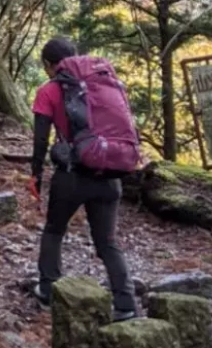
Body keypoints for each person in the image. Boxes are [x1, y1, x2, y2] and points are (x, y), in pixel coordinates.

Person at [31, 37, 137, 321]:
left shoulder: (49, 91)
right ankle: (126, 304)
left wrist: (36, 175)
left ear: (49, 65)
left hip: (71, 176)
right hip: (109, 174)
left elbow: (40, 140)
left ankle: (48, 290)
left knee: (54, 230)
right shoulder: (106, 85)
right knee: (107, 243)